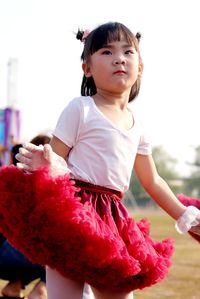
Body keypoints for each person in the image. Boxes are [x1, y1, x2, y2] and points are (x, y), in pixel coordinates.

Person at [0, 22, 200, 299]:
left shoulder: (138, 124)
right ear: (88, 69)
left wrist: (186, 216)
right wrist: (49, 165)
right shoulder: (80, 108)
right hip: (71, 213)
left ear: (140, 66)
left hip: (113, 219)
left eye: (128, 51)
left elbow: (152, 180)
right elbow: (56, 158)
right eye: (107, 52)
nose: (119, 58)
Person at [0, 135, 50, 299]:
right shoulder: (44, 186)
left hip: (5, 257)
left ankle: (15, 286)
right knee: (69, 248)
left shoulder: (10, 178)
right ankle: (42, 289)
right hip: (15, 254)